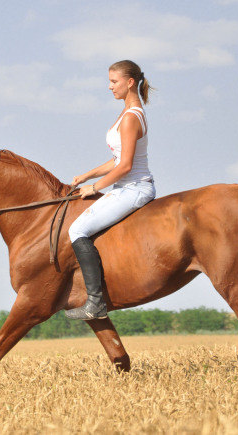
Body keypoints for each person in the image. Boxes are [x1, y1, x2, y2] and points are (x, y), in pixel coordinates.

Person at [65, 60, 156, 320]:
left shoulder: (130, 118)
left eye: (114, 82)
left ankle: (95, 303)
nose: (109, 86)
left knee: (77, 229)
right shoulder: (127, 113)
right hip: (126, 186)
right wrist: (87, 175)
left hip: (134, 188)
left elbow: (125, 165)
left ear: (130, 83)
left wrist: (93, 188)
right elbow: (118, 159)